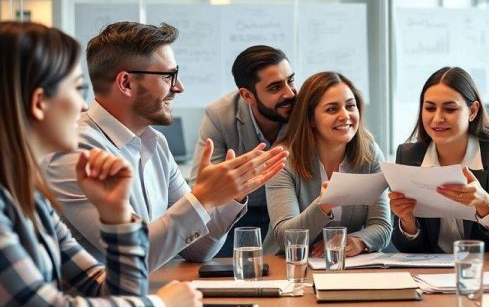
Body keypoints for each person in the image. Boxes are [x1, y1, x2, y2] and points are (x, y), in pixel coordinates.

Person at [45, 22, 288, 272]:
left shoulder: (155, 143)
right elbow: (134, 258)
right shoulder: (74, 152)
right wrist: (201, 198)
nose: (178, 87)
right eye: (168, 76)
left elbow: (198, 249)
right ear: (126, 83)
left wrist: (231, 194)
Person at [0, 21, 200, 306]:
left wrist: (117, 218)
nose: (84, 106)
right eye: (78, 89)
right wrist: (160, 304)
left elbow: (105, 288)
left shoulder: (28, 197)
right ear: (39, 103)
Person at [390, 66, 489, 255]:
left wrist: (485, 204)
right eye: (430, 108)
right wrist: (407, 221)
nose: (437, 118)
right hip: (438, 275)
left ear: (473, 111)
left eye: (449, 109)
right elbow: (409, 249)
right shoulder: (409, 155)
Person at [265, 72, 392, 256]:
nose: (345, 115)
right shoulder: (282, 159)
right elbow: (286, 239)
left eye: (350, 106)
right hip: (286, 267)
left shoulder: (370, 153)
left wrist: (358, 241)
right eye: (332, 109)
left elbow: (381, 226)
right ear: (310, 119)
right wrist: (323, 205)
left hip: (344, 267)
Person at [189, 45, 296, 256]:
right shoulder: (219, 114)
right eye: (275, 87)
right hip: (240, 211)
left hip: (291, 209)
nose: (290, 93)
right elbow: (203, 187)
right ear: (248, 95)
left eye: (291, 80)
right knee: (216, 265)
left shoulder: (304, 107)